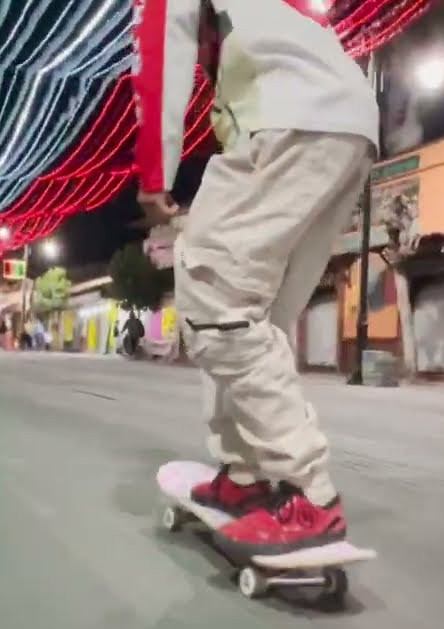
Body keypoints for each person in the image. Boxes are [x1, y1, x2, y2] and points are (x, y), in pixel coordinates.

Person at [132, 0, 376, 556]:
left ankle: (309, 495)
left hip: (286, 119)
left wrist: (154, 172)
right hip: (350, 125)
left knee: (217, 308)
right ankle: (243, 477)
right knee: (255, 320)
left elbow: (161, 48)